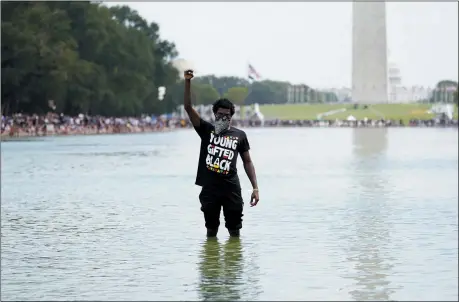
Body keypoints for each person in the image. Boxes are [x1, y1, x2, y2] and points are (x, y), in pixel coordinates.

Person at [183, 69, 259, 238]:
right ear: (215, 114)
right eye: (220, 115)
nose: (223, 118)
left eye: (227, 115)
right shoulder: (206, 130)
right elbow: (188, 107)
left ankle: (233, 263)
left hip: (231, 188)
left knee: (234, 232)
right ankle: (212, 263)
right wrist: (187, 81)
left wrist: (255, 188)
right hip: (210, 188)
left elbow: (247, 162)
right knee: (211, 231)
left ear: (231, 116)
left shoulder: (239, 135)